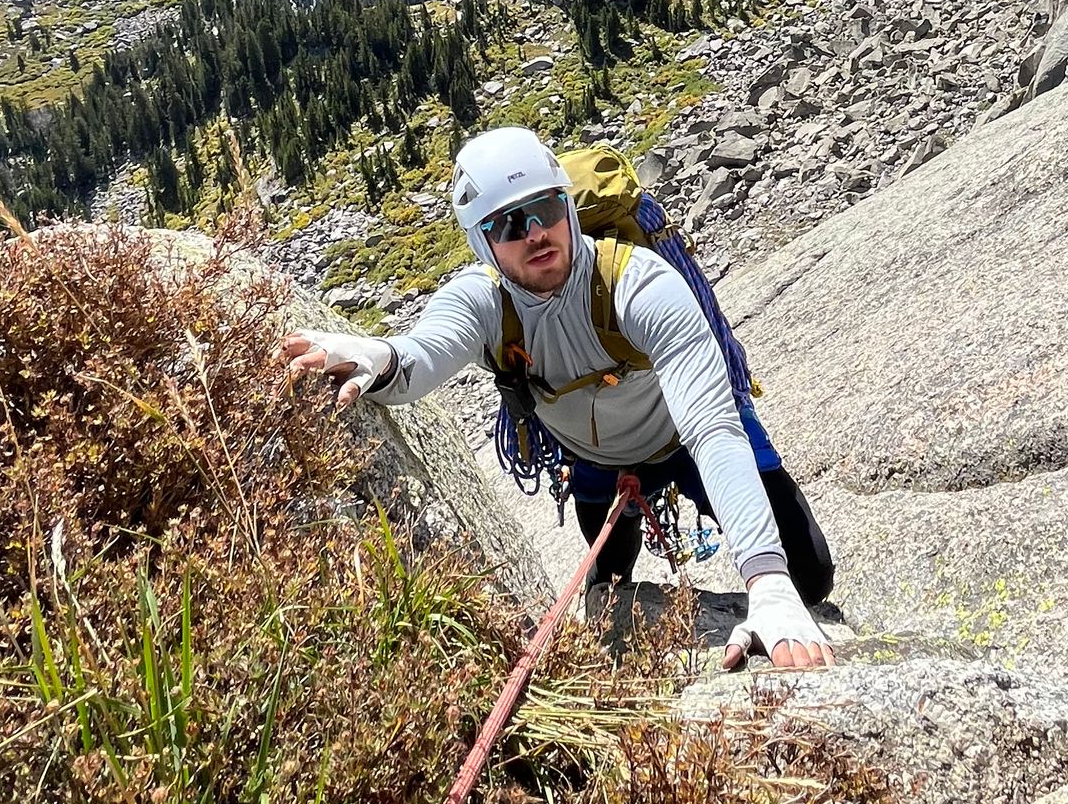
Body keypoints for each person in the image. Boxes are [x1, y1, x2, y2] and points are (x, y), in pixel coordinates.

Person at [281, 126, 837, 671]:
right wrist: (379, 359)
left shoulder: (639, 283)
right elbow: (422, 355)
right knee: (610, 584)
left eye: (544, 209)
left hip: (683, 439)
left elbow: (713, 428)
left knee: (809, 575)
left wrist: (768, 582)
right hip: (598, 464)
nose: (534, 234)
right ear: (482, 242)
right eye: (507, 224)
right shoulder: (483, 303)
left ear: (567, 208)